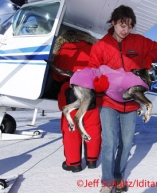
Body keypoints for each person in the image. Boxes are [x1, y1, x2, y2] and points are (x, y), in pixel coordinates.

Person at [89, 5, 157, 193]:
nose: (126, 30)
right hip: (108, 100)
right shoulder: (100, 46)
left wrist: (149, 56)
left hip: (131, 102)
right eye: (123, 25)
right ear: (113, 22)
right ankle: (107, 183)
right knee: (110, 142)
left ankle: (118, 177)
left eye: (130, 26)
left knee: (126, 143)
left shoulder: (139, 41)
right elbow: (92, 71)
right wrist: (98, 84)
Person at [52, 30, 103, 172]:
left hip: (69, 88)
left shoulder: (61, 51)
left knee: (70, 128)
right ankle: (92, 160)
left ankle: (73, 163)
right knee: (93, 126)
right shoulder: (93, 49)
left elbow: (56, 75)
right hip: (90, 89)